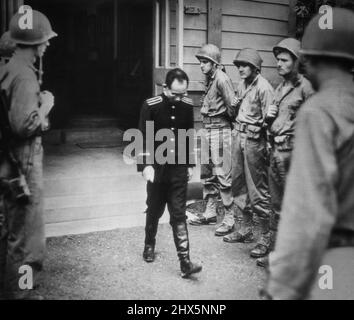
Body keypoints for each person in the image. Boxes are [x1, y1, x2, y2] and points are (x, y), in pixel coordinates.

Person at [263, 8, 354, 299]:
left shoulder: (319, 111)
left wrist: (281, 289)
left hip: (338, 259)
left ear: (310, 60)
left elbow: (307, 215)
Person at [0, 10, 57, 299]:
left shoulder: (12, 68)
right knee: (26, 232)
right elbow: (24, 125)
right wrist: (45, 105)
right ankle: (21, 294)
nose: (46, 45)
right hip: (24, 155)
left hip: (14, 156)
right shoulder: (24, 75)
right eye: (44, 40)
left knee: (17, 227)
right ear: (33, 43)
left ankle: (22, 288)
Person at [137, 68, 202, 278]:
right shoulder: (151, 106)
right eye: (175, 94)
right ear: (164, 88)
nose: (179, 98)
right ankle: (149, 244)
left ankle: (185, 262)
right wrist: (145, 165)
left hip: (178, 170)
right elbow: (143, 137)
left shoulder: (186, 105)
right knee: (154, 208)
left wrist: (190, 164)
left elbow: (188, 135)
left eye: (183, 94)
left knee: (178, 213)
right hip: (157, 169)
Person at [256, 38, 314, 268]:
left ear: (296, 61)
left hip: (294, 154)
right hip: (277, 151)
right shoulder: (279, 88)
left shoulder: (307, 88)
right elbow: (274, 123)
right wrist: (268, 120)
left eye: (284, 60)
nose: (278, 64)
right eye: (277, 59)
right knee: (277, 206)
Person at [223, 48, 274, 259]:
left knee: (257, 189)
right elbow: (234, 114)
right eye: (238, 66)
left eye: (244, 65)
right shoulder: (242, 85)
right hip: (238, 136)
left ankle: (266, 236)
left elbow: (270, 121)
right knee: (238, 183)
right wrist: (233, 106)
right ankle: (245, 228)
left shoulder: (264, 87)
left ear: (255, 67)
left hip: (255, 141)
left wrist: (269, 145)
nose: (240, 69)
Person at [189, 44, 236, 237]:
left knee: (223, 175)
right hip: (208, 129)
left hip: (220, 130)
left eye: (205, 62)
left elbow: (232, 107)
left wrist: (229, 130)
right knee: (208, 173)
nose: (201, 65)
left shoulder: (222, 79)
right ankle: (209, 212)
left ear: (214, 63)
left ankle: (229, 217)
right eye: (201, 62)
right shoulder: (210, 79)